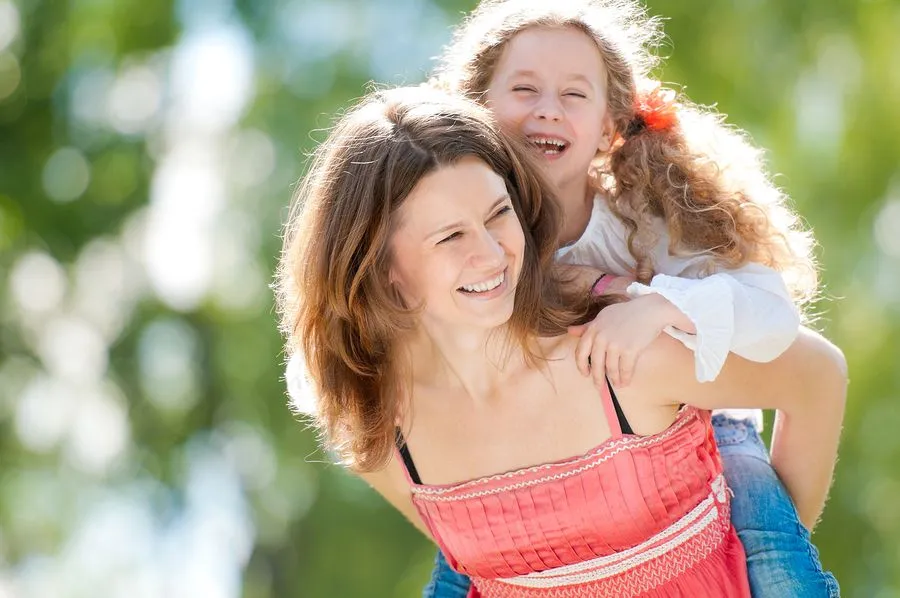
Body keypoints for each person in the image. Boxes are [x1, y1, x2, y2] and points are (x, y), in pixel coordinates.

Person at [276, 86, 847, 597]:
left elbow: (816, 376)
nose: (493, 254)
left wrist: (771, 555)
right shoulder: (377, 426)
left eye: (499, 214)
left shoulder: (620, 354)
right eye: (450, 236)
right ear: (379, 270)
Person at [420, 1, 843, 595]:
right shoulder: (458, 229)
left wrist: (662, 307)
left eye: (574, 95)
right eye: (523, 88)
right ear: (475, 108)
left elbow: (775, 314)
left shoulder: (644, 221)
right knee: (459, 561)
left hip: (704, 427)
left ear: (609, 127)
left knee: (769, 544)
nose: (548, 109)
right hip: (542, 448)